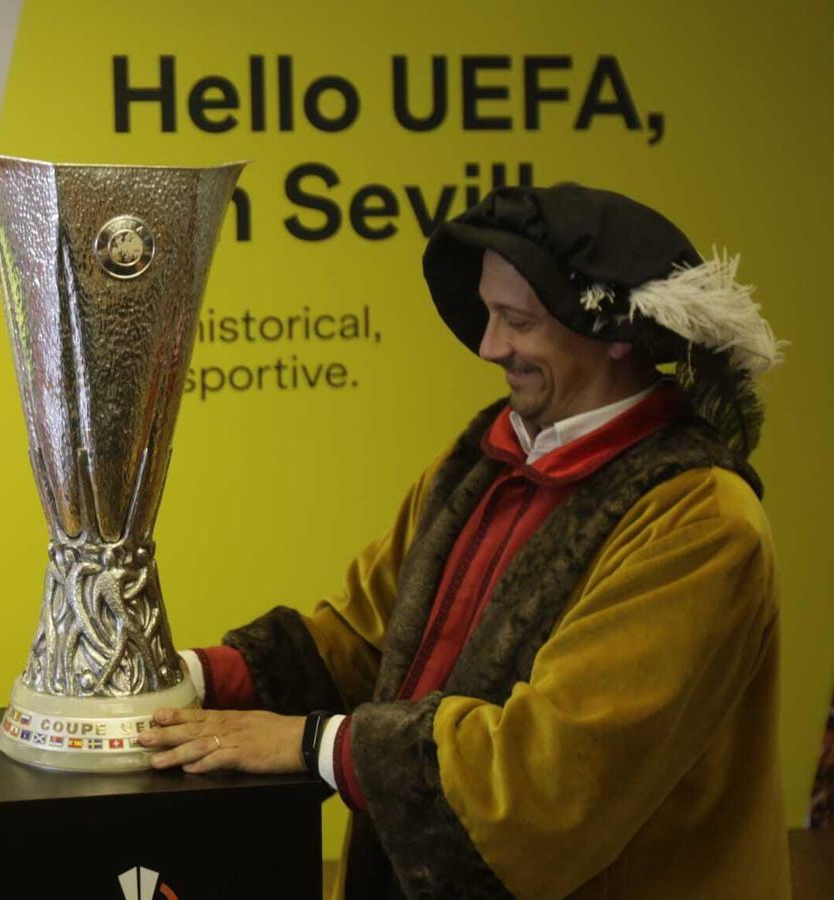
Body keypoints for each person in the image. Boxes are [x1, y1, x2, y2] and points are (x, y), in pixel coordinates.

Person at [137, 184, 789, 898]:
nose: (488, 346)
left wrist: (310, 742)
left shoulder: (699, 519)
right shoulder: (484, 462)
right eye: (487, 314)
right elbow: (367, 640)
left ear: (616, 335)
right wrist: (182, 676)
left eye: (518, 321)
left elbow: (553, 772)